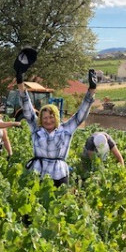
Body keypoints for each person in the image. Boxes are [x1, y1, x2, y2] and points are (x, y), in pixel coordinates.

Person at [14, 47, 97, 187]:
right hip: (38, 172)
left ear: (57, 118)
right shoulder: (36, 128)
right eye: (45, 118)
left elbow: (80, 116)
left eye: (51, 118)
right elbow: (27, 108)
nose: (48, 120)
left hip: (59, 173)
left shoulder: (65, 130)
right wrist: (20, 79)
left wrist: (92, 90)